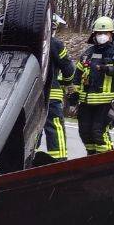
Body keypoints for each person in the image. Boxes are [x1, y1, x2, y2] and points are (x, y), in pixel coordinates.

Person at [70, 16, 114, 154]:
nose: (102, 36)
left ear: (111, 34)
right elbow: (77, 76)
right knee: (85, 133)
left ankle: (106, 160)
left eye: (105, 33)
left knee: (98, 133)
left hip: (108, 102)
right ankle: (92, 160)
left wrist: (110, 69)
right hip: (87, 103)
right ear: (94, 35)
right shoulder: (87, 54)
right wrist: (74, 93)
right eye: (99, 33)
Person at [43, 15, 76, 161]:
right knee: (55, 127)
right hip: (51, 94)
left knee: (32, 128)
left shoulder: (27, 41)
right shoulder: (55, 44)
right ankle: (59, 161)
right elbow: (68, 68)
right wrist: (67, 83)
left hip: (29, 94)